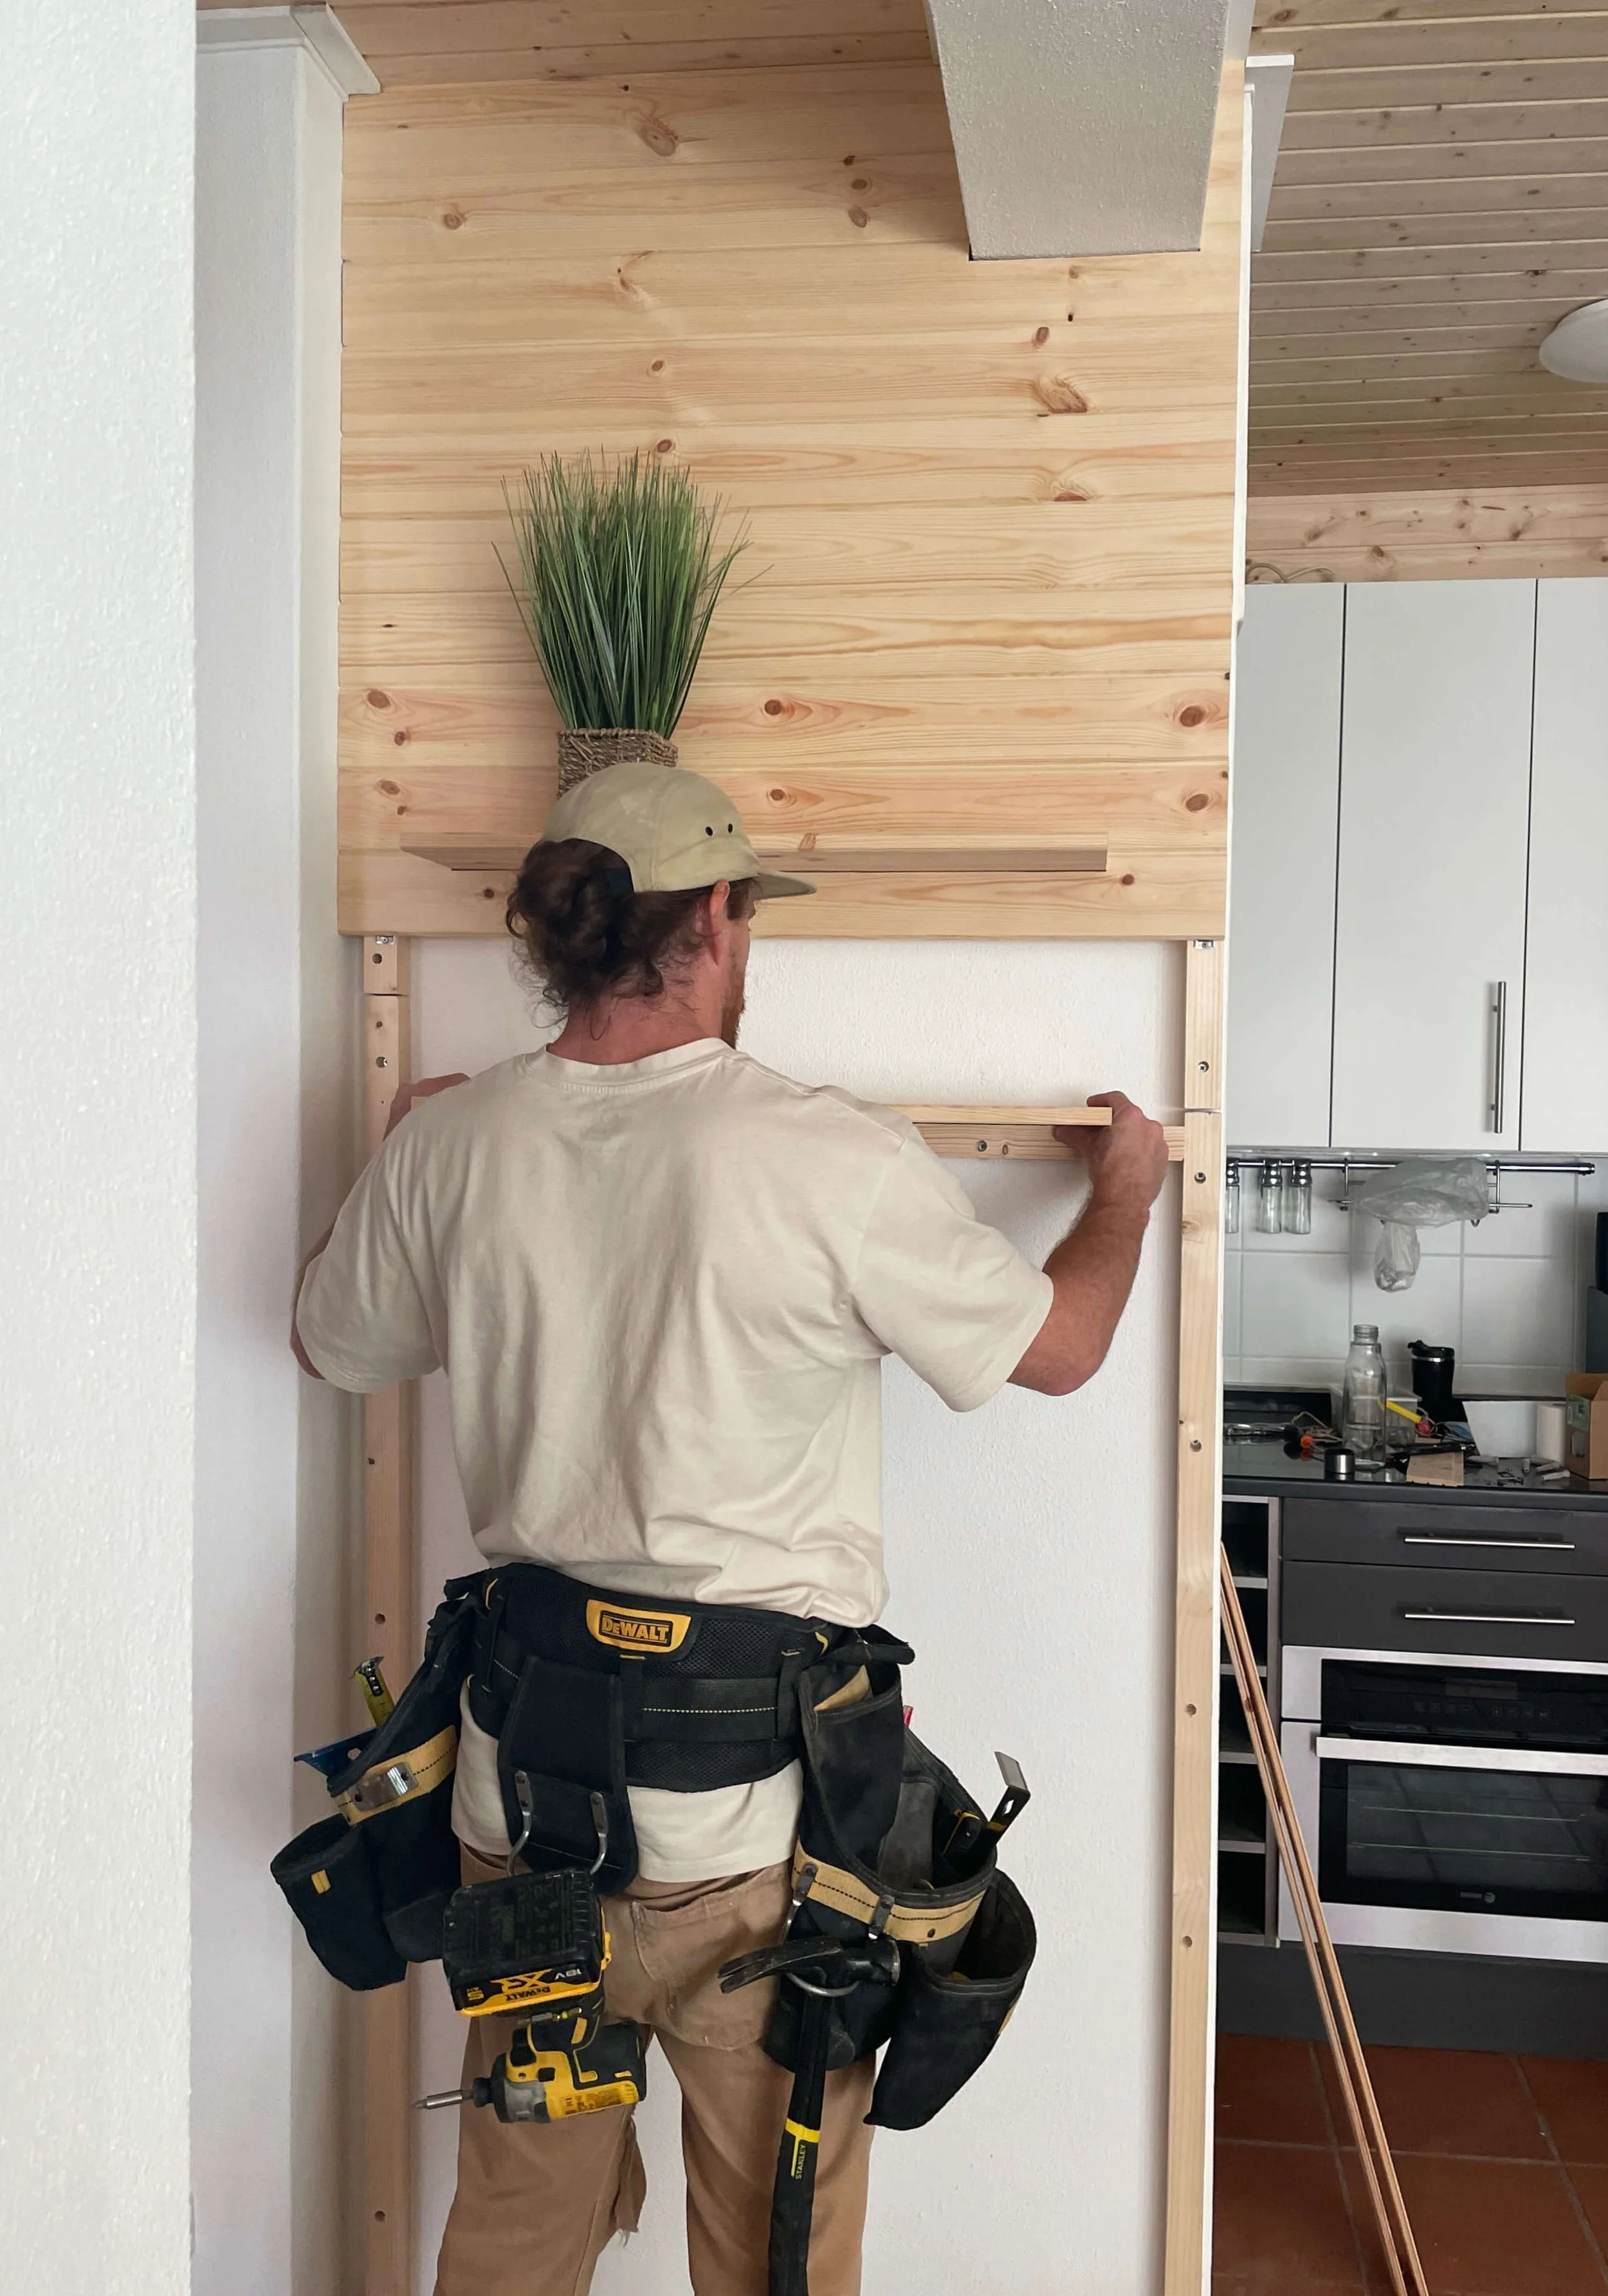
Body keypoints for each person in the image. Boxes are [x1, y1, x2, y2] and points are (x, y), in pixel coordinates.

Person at [292, 760, 1170, 2296]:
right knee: (776, 2252)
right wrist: (1127, 1193)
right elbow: (1065, 1345)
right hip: (755, 1853)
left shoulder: (456, 1142)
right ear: (713, 917)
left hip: (523, 1815)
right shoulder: (822, 1152)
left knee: (511, 2234)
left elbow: (331, 1343)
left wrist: (405, 1142)